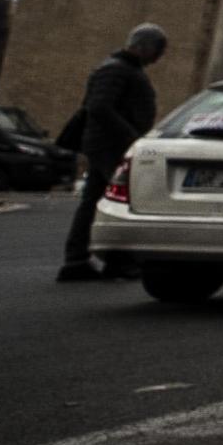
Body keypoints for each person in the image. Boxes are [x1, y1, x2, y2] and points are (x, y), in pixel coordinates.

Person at [59, 24, 166, 282]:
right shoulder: (115, 69)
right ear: (145, 46)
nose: (158, 58)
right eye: (158, 51)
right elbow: (99, 107)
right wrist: (131, 136)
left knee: (99, 201)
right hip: (110, 146)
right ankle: (110, 260)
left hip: (109, 144)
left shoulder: (122, 68)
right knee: (118, 203)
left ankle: (82, 259)